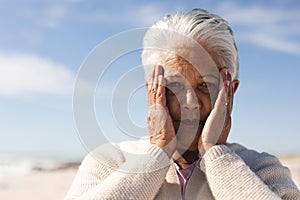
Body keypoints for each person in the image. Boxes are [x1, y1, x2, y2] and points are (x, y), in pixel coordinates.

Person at [65, 9, 300, 200]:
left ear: (230, 92)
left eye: (205, 86)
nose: (191, 104)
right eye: (175, 86)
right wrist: (158, 150)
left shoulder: (262, 168)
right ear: (152, 90)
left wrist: (215, 154)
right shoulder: (109, 161)